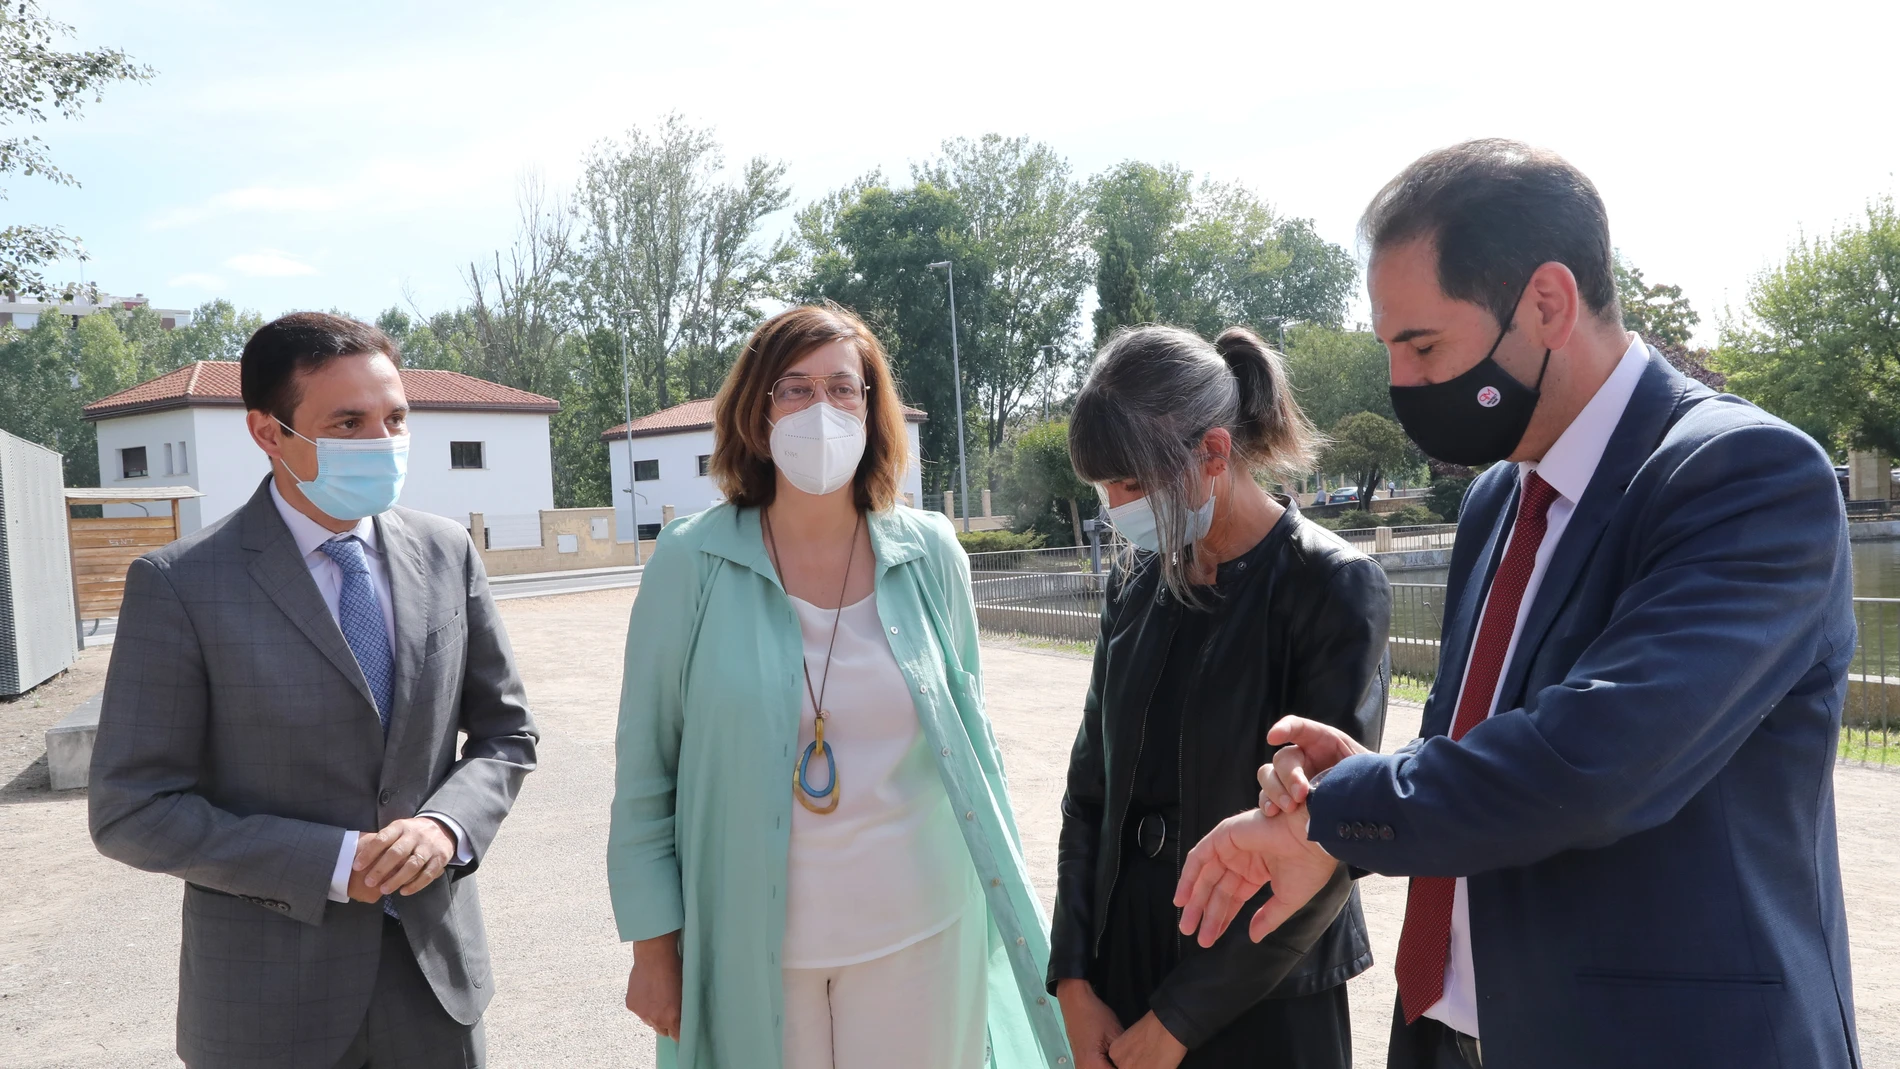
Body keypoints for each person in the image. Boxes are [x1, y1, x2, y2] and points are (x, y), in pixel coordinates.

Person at [1175, 139, 1860, 1069]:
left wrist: (1347, 805)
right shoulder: (1501, 497)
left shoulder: (1744, 477)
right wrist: (1381, 778)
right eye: (1391, 350)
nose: (1404, 385)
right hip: (1458, 1035)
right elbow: (1496, 739)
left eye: (1423, 345)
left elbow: (1597, 758)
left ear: (1546, 303)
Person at [609, 304, 1068, 1069]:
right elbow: (646, 769)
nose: (820, 409)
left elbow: (971, 749)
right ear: (758, 412)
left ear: (870, 406)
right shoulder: (690, 561)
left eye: (842, 388)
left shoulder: (932, 553)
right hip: (753, 948)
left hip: (924, 934)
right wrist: (654, 950)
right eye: (794, 389)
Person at [89, 312, 539, 1069]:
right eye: (349, 421)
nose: (383, 441)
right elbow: (131, 809)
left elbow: (507, 734)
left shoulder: (446, 551)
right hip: (268, 1008)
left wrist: (445, 828)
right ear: (269, 433)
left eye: (395, 417)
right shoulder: (182, 584)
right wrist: (331, 861)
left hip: (435, 990)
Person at [1049, 325, 1392, 1069]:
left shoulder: (1331, 586)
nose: (1114, 506)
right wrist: (1074, 978)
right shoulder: (1138, 584)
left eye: (1131, 484)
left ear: (1211, 453)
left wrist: (1177, 1021)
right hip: (1124, 968)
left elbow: (1325, 844)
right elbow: (1089, 795)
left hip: (1263, 988)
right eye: (1103, 486)